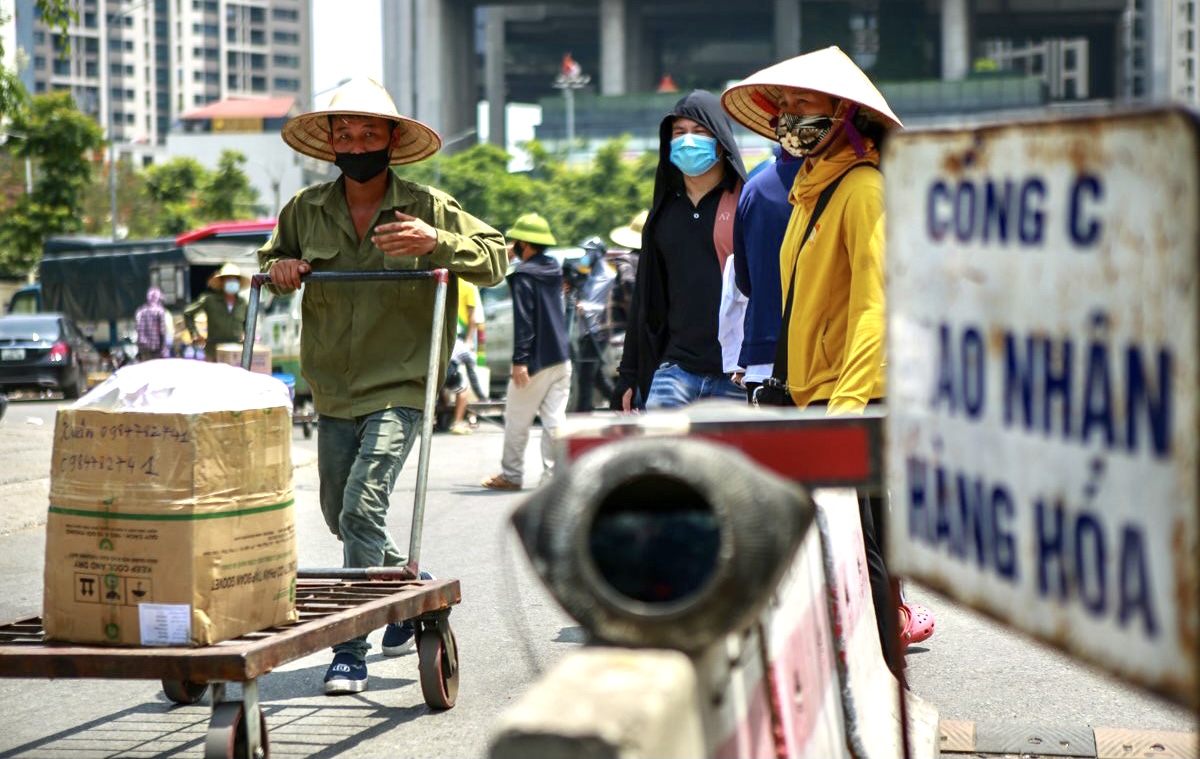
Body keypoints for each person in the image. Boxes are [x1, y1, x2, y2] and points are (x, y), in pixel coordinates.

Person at [258, 77, 506, 695]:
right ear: (331, 143)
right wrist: (281, 269)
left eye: (370, 131)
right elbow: (269, 262)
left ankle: (351, 647)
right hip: (333, 386)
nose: (357, 141)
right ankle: (402, 587)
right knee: (339, 513)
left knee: (362, 503)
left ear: (392, 141)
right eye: (346, 132)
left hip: (401, 382)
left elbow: (496, 258)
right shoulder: (305, 210)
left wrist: (437, 243)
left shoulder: (427, 206)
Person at [721, 46, 934, 672]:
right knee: (839, 547)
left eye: (803, 105)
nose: (789, 117)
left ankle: (886, 688)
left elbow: (875, 307)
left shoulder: (862, 188)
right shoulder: (811, 191)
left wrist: (843, 410)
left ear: (844, 113)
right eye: (783, 107)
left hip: (854, 397)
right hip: (818, 397)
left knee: (860, 551)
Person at [610, 90, 748, 412]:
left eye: (700, 132)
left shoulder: (744, 204)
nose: (688, 141)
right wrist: (628, 375)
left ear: (720, 141)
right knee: (662, 459)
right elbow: (645, 301)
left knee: (731, 463)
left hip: (736, 374)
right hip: (675, 372)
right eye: (679, 133)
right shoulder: (663, 216)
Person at [481, 213, 571, 491]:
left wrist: (520, 360)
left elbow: (525, 319)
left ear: (524, 243)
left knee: (517, 420)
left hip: (535, 361)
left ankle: (511, 474)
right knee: (555, 420)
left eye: (515, 241)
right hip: (562, 356)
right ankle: (555, 477)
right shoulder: (553, 268)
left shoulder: (523, 275)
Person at [727, 144, 803, 401]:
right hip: (835, 362)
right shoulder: (852, 185)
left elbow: (745, 281)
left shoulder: (754, 189)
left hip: (765, 357)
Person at [568, 236, 617, 412]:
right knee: (597, 377)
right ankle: (621, 406)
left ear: (598, 253)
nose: (585, 256)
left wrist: (587, 308)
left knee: (585, 377)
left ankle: (582, 416)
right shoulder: (587, 275)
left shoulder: (610, 277)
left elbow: (608, 306)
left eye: (588, 252)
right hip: (584, 331)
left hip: (598, 332)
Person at [183, 263, 248, 361]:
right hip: (214, 352)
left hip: (237, 352)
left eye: (234, 279)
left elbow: (248, 325)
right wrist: (195, 334)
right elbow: (188, 313)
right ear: (221, 282)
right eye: (228, 279)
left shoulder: (243, 303)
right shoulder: (209, 300)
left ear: (238, 283)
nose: (231, 281)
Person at [447, 278, 488, 435]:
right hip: (462, 338)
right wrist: (470, 340)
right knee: (463, 386)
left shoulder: (455, 283)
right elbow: (473, 316)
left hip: (453, 335)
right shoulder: (468, 285)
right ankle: (460, 420)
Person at [134, 286, 173, 361]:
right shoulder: (160, 311)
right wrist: (164, 348)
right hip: (156, 347)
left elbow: (138, 330)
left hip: (143, 347)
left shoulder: (140, 311)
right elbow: (162, 331)